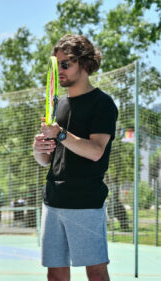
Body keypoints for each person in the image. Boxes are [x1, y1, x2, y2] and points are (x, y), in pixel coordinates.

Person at [33, 34, 117, 281]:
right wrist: (40, 148)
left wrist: (60, 135)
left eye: (65, 64)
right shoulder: (56, 104)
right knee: (56, 275)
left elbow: (95, 151)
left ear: (84, 63)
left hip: (86, 202)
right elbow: (46, 161)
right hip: (53, 200)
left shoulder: (102, 103)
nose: (59, 69)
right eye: (56, 64)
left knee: (96, 274)